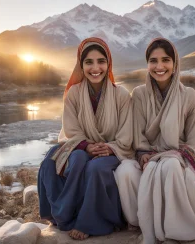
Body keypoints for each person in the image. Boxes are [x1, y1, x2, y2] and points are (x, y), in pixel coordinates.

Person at [120, 37, 195, 244]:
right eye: (153, 61)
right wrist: (144, 155)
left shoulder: (190, 96)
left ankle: (176, 232)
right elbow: (137, 136)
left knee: (170, 166)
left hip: (181, 160)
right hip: (146, 156)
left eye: (165, 60)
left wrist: (169, 155)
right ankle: (143, 222)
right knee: (125, 171)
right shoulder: (138, 94)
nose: (159, 66)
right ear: (147, 64)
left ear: (175, 64)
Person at [37, 37, 134, 240]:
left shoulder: (122, 95)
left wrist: (108, 148)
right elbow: (71, 130)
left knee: (96, 168)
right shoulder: (73, 93)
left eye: (101, 61)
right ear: (81, 65)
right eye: (89, 62)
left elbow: (126, 134)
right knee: (53, 161)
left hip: (113, 150)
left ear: (109, 64)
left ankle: (91, 222)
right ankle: (64, 215)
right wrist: (87, 146)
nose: (95, 67)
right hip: (79, 147)